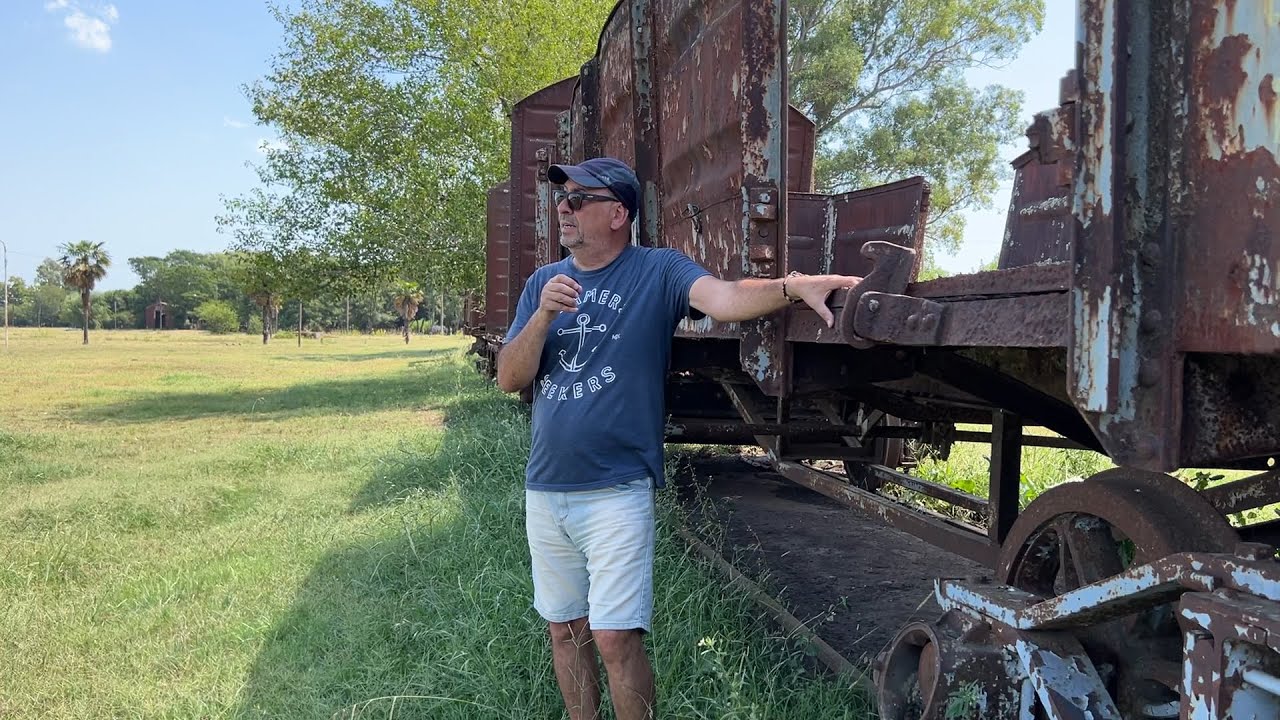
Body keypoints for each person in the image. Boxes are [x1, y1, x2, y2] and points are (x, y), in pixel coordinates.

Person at [495, 157, 861, 720]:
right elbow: (509, 378)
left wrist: (793, 286)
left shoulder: (657, 271)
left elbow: (725, 298)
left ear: (618, 213)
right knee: (565, 630)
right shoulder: (542, 284)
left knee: (615, 638)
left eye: (578, 198)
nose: (563, 207)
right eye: (562, 197)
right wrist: (542, 317)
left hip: (617, 488)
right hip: (546, 488)